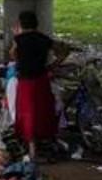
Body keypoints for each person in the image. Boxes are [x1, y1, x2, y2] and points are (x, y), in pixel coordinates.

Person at [10, 11, 68, 161]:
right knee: (42, 110)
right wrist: (52, 65)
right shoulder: (44, 39)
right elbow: (64, 52)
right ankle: (47, 140)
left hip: (25, 81)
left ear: (21, 23)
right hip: (41, 79)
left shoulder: (19, 39)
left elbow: (13, 55)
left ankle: (32, 149)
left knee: (27, 112)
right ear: (37, 23)